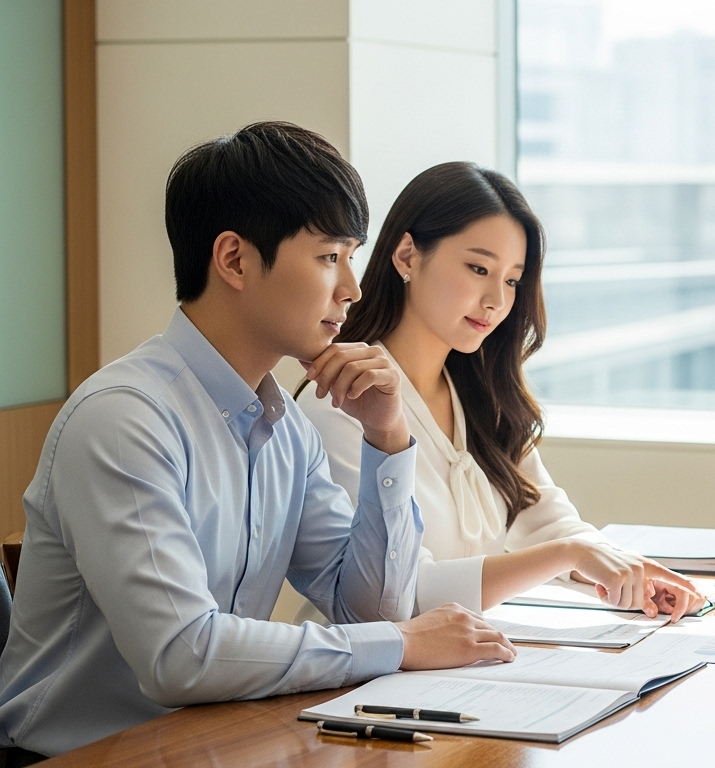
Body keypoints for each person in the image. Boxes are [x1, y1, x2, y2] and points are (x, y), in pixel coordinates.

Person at [0, 123, 514, 760]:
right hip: (85, 756)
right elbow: (181, 657)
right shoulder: (123, 420)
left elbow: (371, 609)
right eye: (330, 257)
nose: (352, 289)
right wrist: (405, 643)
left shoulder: (285, 429)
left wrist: (388, 437)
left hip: (211, 742)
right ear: (235, 259)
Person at [294, 161, 705, 621]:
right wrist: (570, 555)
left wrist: (623, 570)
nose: (497, 300)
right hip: (357, 677)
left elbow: (545, 519)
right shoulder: (343, 398)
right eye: (478, 268)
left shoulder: (481, 396)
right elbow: (400, 594)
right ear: (407, 255)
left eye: (511, 279)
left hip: (462, 671)